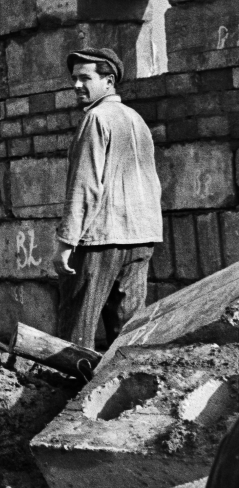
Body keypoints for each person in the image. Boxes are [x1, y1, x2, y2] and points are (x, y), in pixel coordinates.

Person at [53, 48, 162, 350]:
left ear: (109, 81)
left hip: (101, 242)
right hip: (141, 239)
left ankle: (67, 394)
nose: (76, 85)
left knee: (75, 335)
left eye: (85, 78)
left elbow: (84, 186)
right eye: (74, 79)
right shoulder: (136, 119)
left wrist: (65, 243)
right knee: (127, 338)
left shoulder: (96, 119)